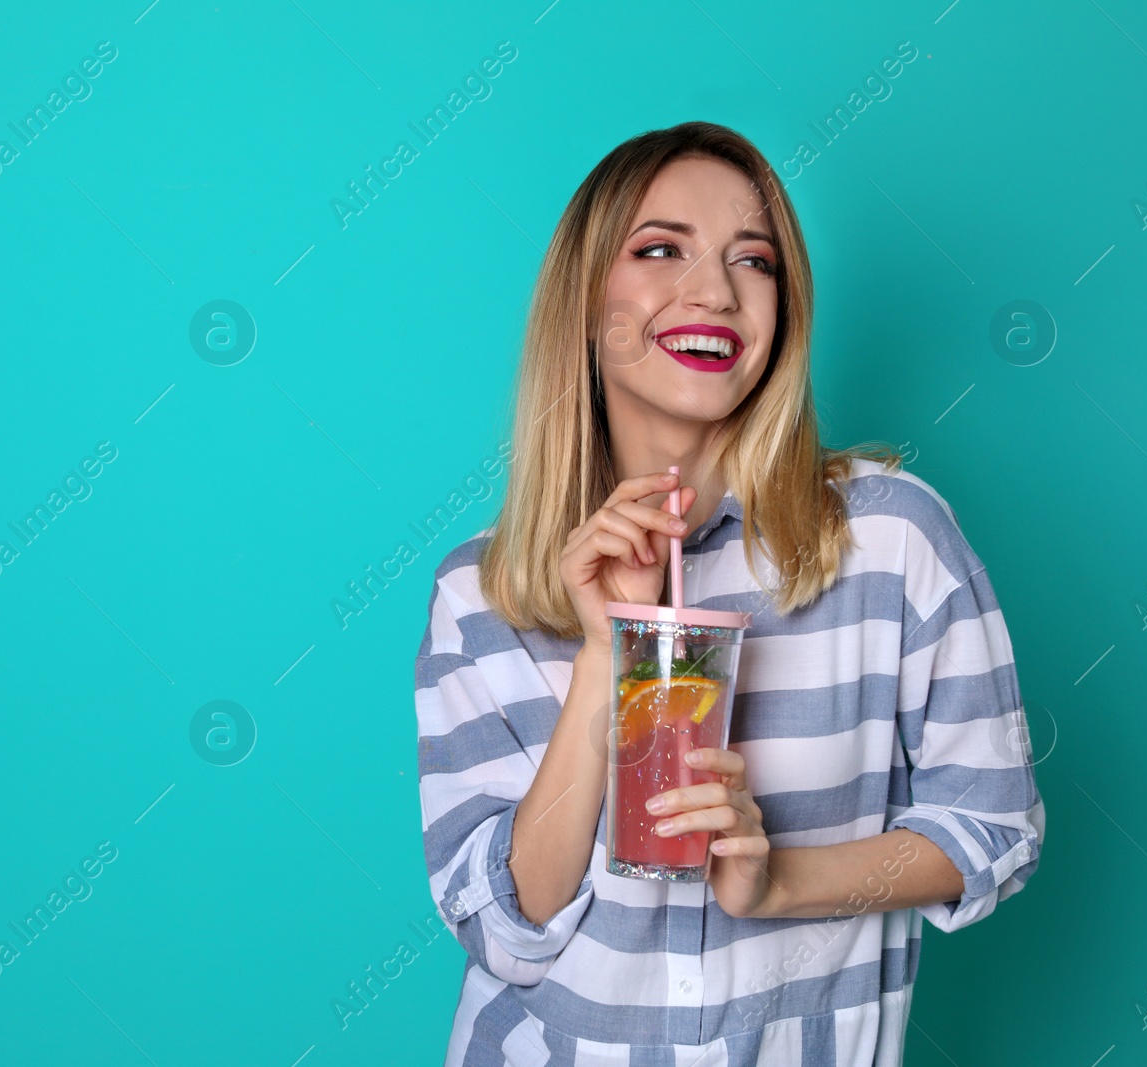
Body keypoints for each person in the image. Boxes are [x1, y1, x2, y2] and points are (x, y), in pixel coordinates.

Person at [412, 121, 1045, 1066]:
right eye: (660, 249)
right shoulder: (480, 590)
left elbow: (994, 827)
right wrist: (603, 651)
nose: (713, 290)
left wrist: (777, 881)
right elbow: (509, 930)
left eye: (754, 261)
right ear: (588, 303)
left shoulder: (890, 537)